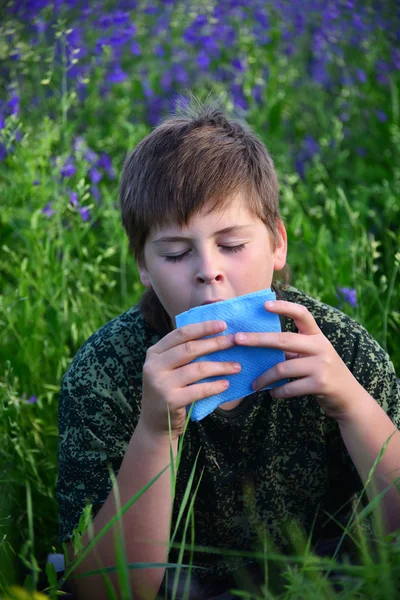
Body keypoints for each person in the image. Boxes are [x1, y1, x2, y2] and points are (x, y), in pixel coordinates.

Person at [56, 95, 400, 600]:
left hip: (324, 580)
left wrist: (352, 406)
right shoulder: (103, 373)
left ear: (277, 244)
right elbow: (103, 590)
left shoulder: (343, 349)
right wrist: (156, 430)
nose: (208, 269)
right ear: (144, 269)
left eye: (233, 245)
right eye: (176, 253)